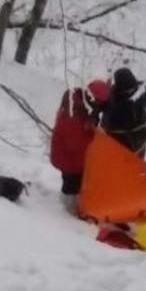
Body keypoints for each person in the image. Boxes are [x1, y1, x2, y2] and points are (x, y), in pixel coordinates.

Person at [50, 79, 110, 211]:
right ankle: (66, 212)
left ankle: (71, 205)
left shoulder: (81, 105)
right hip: (68, 158)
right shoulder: (73, 114)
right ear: (92, 99)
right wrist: (97, 139)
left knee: (77, 182)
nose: (99, 109)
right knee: (71, 185)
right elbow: (77, 144)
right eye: (98, 104)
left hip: (73, 157)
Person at [100, 67, 146, 156]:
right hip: (117, 140)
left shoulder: (141, 90)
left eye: (133, 89)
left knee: (137, 163)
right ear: (120, 90)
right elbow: (99, 107)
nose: (132, 93)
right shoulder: (111, 98)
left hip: (139, 137)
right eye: (127, 91)